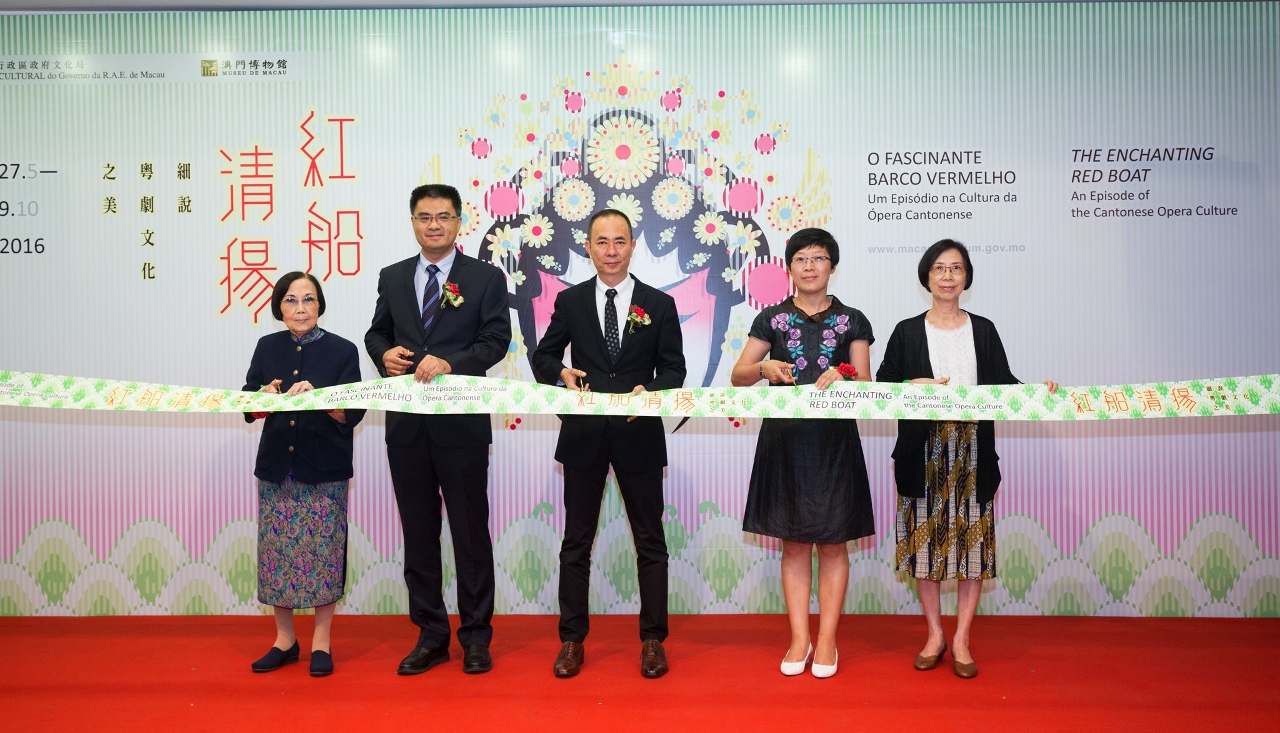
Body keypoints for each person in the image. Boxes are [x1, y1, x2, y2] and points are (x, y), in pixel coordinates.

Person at [876, 239, 1058, 679]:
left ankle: (961, 640)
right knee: (926, 547)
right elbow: (882, 387)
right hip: (922, 450)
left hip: (974, 449)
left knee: (972, 547)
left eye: (956, 268)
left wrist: (1037, 391)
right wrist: (912, 384)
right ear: (926, 276)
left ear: (966, 277)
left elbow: (1004, 384)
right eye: (939, 268)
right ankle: (935, 635)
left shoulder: (984, 329)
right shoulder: (905, 330)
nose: (947, 276)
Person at [531, 208, 686, 678]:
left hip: (638, 433)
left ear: (633, 245)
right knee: (576, 542)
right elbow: (543, 356)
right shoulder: (571, 301)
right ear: (588, 246)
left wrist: (653, 392)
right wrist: (561, 372)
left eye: (620, 241)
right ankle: (572, 640)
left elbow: (675, 369)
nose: (611, 250)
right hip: (584, 436)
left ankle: (654, 640)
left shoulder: (659, 304)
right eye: (602, 241)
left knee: (650, 542)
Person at [365, 183, 511, 675]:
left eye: (443, 217)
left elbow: (496, 341)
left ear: (458, 222)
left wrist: (451, 361)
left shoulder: (485, 278)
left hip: (461, 427)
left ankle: (475, 637)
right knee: (419, 535)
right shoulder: (392, 276)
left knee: (470, 534)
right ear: (412, 222)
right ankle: (430, 634)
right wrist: (380, 352)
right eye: (425, 217)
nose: (434, 225)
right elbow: (377, 331)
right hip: (406, 429)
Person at [730, 228, 875, 679]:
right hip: (785, 442)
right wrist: (763, 367)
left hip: (835, 445)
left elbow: (867, 385)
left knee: (833, 544)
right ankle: (799, 637)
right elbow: (738, 376)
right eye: (801, 259)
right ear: (789, 267)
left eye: (819, 258)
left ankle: (827, 638)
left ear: (832, 265)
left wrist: (845, 376)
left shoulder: (853, 320)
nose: (810, 266)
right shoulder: (770, 319)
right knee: (793, 544)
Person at [244, 271, 365, 677]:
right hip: (279, 469)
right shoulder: (266, 346)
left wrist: (325, 400)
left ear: (320, 305)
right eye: (292, 300)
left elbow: (355, 412)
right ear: (280, 306)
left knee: (324, 555)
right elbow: (247, 406)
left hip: (324, 469)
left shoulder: (343, 350)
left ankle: (321, 643)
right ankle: (284, 640)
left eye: (309, 299)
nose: (300, 308)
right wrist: (262, 398)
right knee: (277, 557)